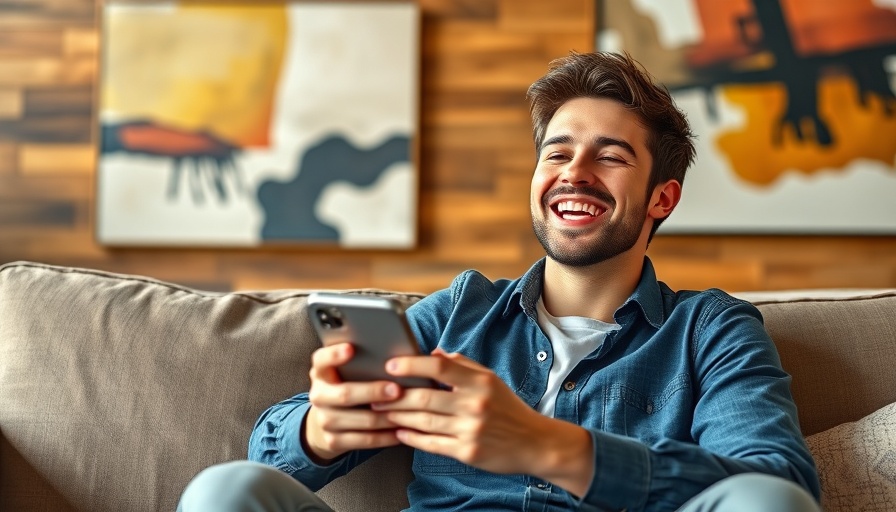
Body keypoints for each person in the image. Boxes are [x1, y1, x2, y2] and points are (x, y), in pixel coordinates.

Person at [178, 51, 821, 512]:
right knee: (225, 492)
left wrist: (549, 447)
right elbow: (270, 456)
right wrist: (321, 428)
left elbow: (775, 483)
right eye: (557, 152)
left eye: (612, 156)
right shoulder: (461, 311)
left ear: (662, 198)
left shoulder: (710, 330)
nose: (576, 171)